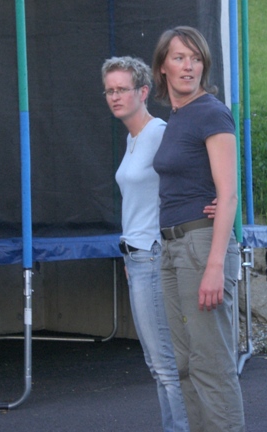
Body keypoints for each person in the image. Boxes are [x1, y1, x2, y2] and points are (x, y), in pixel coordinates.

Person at [152, 26, 245, 432]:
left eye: (196, 58)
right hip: (173, 248)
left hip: (201, 246)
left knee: (211, 364)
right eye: (179, 58)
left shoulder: (210, 112)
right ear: (162, 67)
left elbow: (228, 195)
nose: (188, 66)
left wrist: (214, 265)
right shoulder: (176, 117)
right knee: (186, 364)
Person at [101, 56, 189, 432]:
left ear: (143, 92)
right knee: (157, 364)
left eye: (122, 89)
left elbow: (193, 173)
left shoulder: (158, 133)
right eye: (109, 90)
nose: (114, 96)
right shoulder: (133, 138)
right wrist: (128, 254)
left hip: (153, 256)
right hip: (136, 258)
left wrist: (217, 201)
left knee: (165, 365)